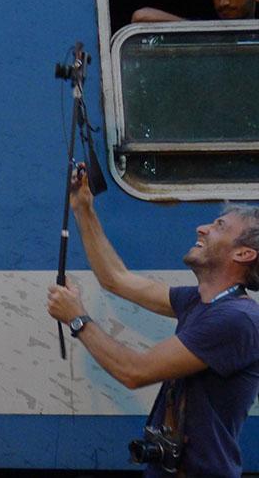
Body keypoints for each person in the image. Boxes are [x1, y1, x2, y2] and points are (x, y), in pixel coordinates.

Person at [46, 166, 259, 477]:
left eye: (219, 226)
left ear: (243, 253)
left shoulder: (236, 320)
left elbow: (135, 371)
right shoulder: (199, 301)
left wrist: (78, 320)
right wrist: (83, 208)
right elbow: (115, 279)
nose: (202, 228)